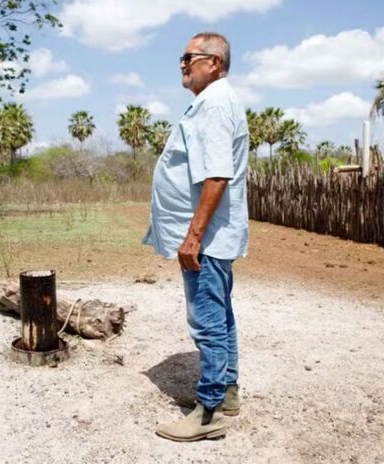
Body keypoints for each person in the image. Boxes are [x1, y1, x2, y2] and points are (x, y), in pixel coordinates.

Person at [143, 32, 249, 442]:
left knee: (206, 322)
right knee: (220, 316)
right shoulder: (211, 102)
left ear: (215, 63)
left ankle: (208, 414)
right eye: (182, 58)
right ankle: (227, 394)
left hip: (207, 239)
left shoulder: (215, 105)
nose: (183, 64)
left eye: (190, 57)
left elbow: (217, 175)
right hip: (213, 236)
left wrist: (193, 237)